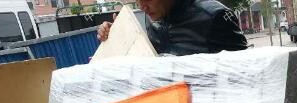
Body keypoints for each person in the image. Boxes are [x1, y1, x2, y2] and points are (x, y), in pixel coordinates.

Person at [97, 0, 247, 56]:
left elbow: (245, 74)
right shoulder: (152, 18)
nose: (142, 6)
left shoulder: (214, 16)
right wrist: (118, 34)